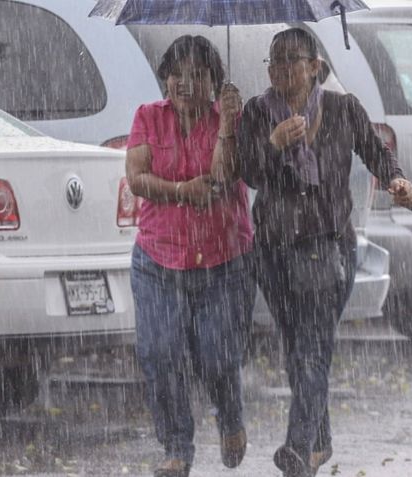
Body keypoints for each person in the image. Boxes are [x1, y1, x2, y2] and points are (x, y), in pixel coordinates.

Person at [229, 28, 412, 477]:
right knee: (298, 350)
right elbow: (248, 175)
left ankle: (297, 448)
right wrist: (273, 144)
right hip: (274, 251)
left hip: (328, 248)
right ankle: (320, 443)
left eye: (292, 60)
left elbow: (378, 151)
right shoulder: (257, 112)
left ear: (315, 66)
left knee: (311, 349)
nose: (282, 70)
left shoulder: (341, 107)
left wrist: (396, 179)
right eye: (274, 62)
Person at [126, 35, 253, 477]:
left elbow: (222, 176)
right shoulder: (147, 118)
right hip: (158, 260)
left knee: (217, 356)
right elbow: (137, 179)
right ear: (165, 79)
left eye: (199, 74)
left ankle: (231, 418)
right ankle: (177, 449)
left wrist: (228, 128)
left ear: (215, 82)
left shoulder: (229, 120)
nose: (186, 82)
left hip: (222, 260)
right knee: (161, 354)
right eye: (177, 73)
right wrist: (181, 191)